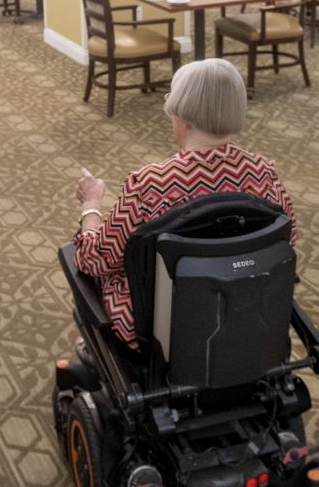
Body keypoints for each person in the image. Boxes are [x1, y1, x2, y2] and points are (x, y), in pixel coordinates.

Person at [71, 59, 297, 349]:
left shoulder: (150, 183)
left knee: (82, 265)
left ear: (184, 119)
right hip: (242, 312)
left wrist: (91, 206)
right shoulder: (263, 172)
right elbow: (287, 239)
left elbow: (96, 260)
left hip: (162, 327)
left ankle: (93, 348)